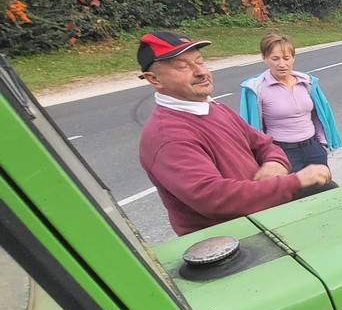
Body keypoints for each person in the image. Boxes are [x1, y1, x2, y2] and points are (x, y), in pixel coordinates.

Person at [136, 31, 331, 236]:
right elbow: (215, 198)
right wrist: (296, 181)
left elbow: (263, 143)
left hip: (261, 222)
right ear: (154, 80)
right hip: (230, 243)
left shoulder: (214, 107)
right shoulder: (167, 136)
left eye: (200, 62)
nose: (200, 72)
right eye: (182, 66)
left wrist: (274, 164)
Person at [239, 33, 342, 195]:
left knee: (325, 193)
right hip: (284, 153)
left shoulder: (307, 82)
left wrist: (321, 144)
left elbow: (319, 115)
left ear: (293, 58)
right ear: (264, 58)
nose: (282, 64)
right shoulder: (257, 89)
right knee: (293, 198)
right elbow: (253, 128)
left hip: (313, 149)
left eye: (286, 58)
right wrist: (263, 157)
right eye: (275, 59)